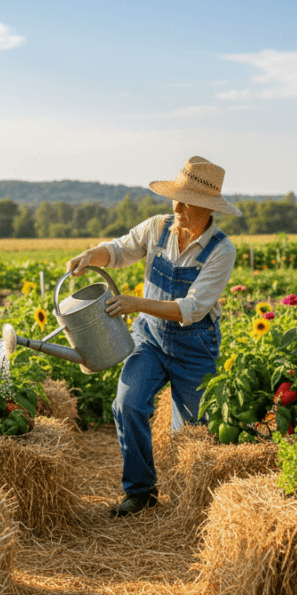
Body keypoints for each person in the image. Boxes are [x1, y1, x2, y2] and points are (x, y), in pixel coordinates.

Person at [66, 156, 241, 517]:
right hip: (149, 338)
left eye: (185, 201)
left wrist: (136, 304)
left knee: (191, 433)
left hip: (194, 346)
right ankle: (141, 491)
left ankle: (190, 502)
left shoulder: (221, 251)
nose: (176, 207)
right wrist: (90, 255)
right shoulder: (157, 228)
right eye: (175, 198)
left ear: (207, 208)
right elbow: (117, 251)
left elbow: (192, 307)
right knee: (127, 404)